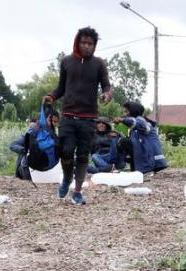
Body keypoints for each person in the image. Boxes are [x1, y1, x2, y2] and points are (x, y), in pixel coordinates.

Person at [43, 26, 112, 205]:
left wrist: (107, 94)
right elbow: (61, 88)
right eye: (84, 43)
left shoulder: (99, 64)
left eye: (91, 44)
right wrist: (51, 97)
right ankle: (67, 178)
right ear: (77, 42)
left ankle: (78, 191)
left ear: (94, 45)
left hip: (88, 119)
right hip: (68, 117)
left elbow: (106, 85)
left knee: (83, 156)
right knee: (65, 151)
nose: (87, 46)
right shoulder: (66, 61)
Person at [112, 101, 167, 175]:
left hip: (153, 161)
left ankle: (120, 166)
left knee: (123, 141)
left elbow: (139, 124)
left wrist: (122, 120)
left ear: (133, 111)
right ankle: (132, 169)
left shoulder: (142, 121)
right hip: (145, 157)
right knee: (122, 141)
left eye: (126, 111)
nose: (124, 114)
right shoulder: (134, 129)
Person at [9, 111, 59, 179]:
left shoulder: (53, 138)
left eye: (55, 122)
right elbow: (12, 145)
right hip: (26, 170)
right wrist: (26, 150)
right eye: (51, 121)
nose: (53, 124)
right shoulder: (31, 134)